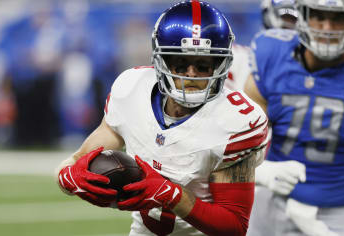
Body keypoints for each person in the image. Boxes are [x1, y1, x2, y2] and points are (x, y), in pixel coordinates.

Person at [55, 1, 270, 235]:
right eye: (180, 62)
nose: (190, 74)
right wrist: (66, 177)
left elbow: (234, 227)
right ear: (161, 61)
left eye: (203, 64)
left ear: (221, 65)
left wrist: (171, 194)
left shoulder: (236, 121)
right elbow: (78, 161)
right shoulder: (131, 89)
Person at [244, 0, 344, 235]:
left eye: (338, 18)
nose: (327, 27)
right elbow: (239, 137)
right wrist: (258, 171)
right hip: (269, 194)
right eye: (318, 15)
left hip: (336, 212)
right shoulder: (271, 51)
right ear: (302, 14)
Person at [226, 0, 298, 91]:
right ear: (267, 17)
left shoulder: (308, 65)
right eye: (285, 19)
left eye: (293, 20)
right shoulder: (239, 57)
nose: (289, 28)